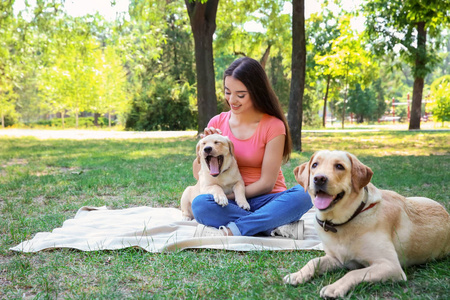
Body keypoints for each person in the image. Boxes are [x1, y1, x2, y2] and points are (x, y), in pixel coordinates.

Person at [191, 57, 312, 238]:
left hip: (267, 200)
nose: (232, 100)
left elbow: (267, 183)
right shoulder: (217, 123)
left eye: (240, 95)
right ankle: (272, 226)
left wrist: (234, 195)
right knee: (201, 204)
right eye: (227, 92)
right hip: (229, 202)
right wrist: (204, 151)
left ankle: (238, 228)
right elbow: (198, 174)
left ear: (256, 92)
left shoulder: (273, 125)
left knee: (306, 194)